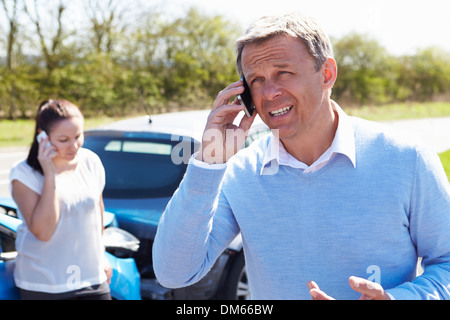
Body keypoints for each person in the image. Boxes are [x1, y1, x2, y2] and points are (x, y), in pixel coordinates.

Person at [152, 13, 450, 300]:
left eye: (283, 73)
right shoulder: (240, 172)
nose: (268, 93)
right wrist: (208, 162)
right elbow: (174, 273)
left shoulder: (407, 159)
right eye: (255, 80)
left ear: (327, 74)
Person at [10, 99, 112, 300]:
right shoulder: (23, 174)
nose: (74, 146)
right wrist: (50, 174)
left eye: (78, 136)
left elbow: (97, 213)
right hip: (44, 285)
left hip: (92, 279)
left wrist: (102, 256)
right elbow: (44, 232)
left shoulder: (91, 161)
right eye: (64, 140)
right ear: (42, 137)